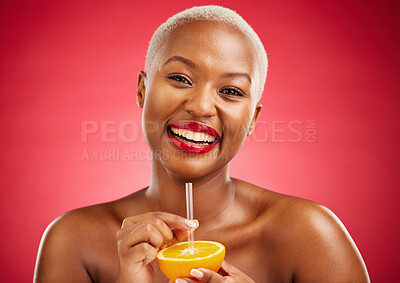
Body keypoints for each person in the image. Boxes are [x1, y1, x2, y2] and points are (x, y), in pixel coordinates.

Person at [34, 5, 370, 283]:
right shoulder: (74, 241)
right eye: (180, 79)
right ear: (142, 89)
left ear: (252, 119)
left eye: (231, 91)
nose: (201, 107)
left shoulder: (310, 236)